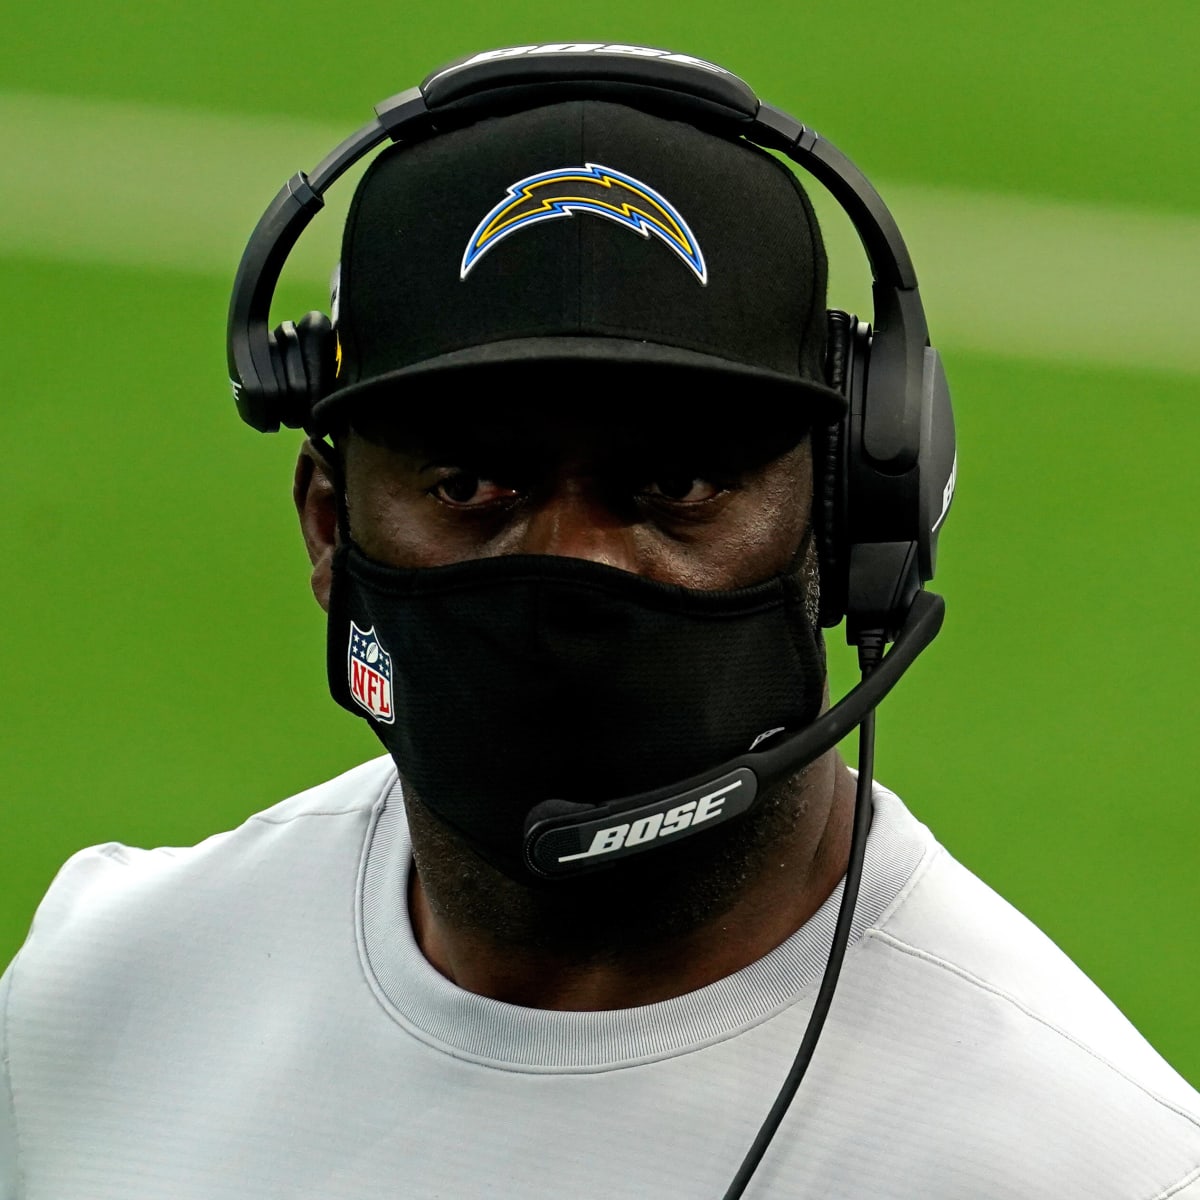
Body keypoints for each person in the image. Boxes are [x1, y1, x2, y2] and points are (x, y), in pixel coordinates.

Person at [2, 45, 1198, 1199]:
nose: (571, 563)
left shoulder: (1091, 1165)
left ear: (851, 520)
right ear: (328, 528)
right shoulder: (98, 1001)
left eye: (675, 488)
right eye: (473, 486)